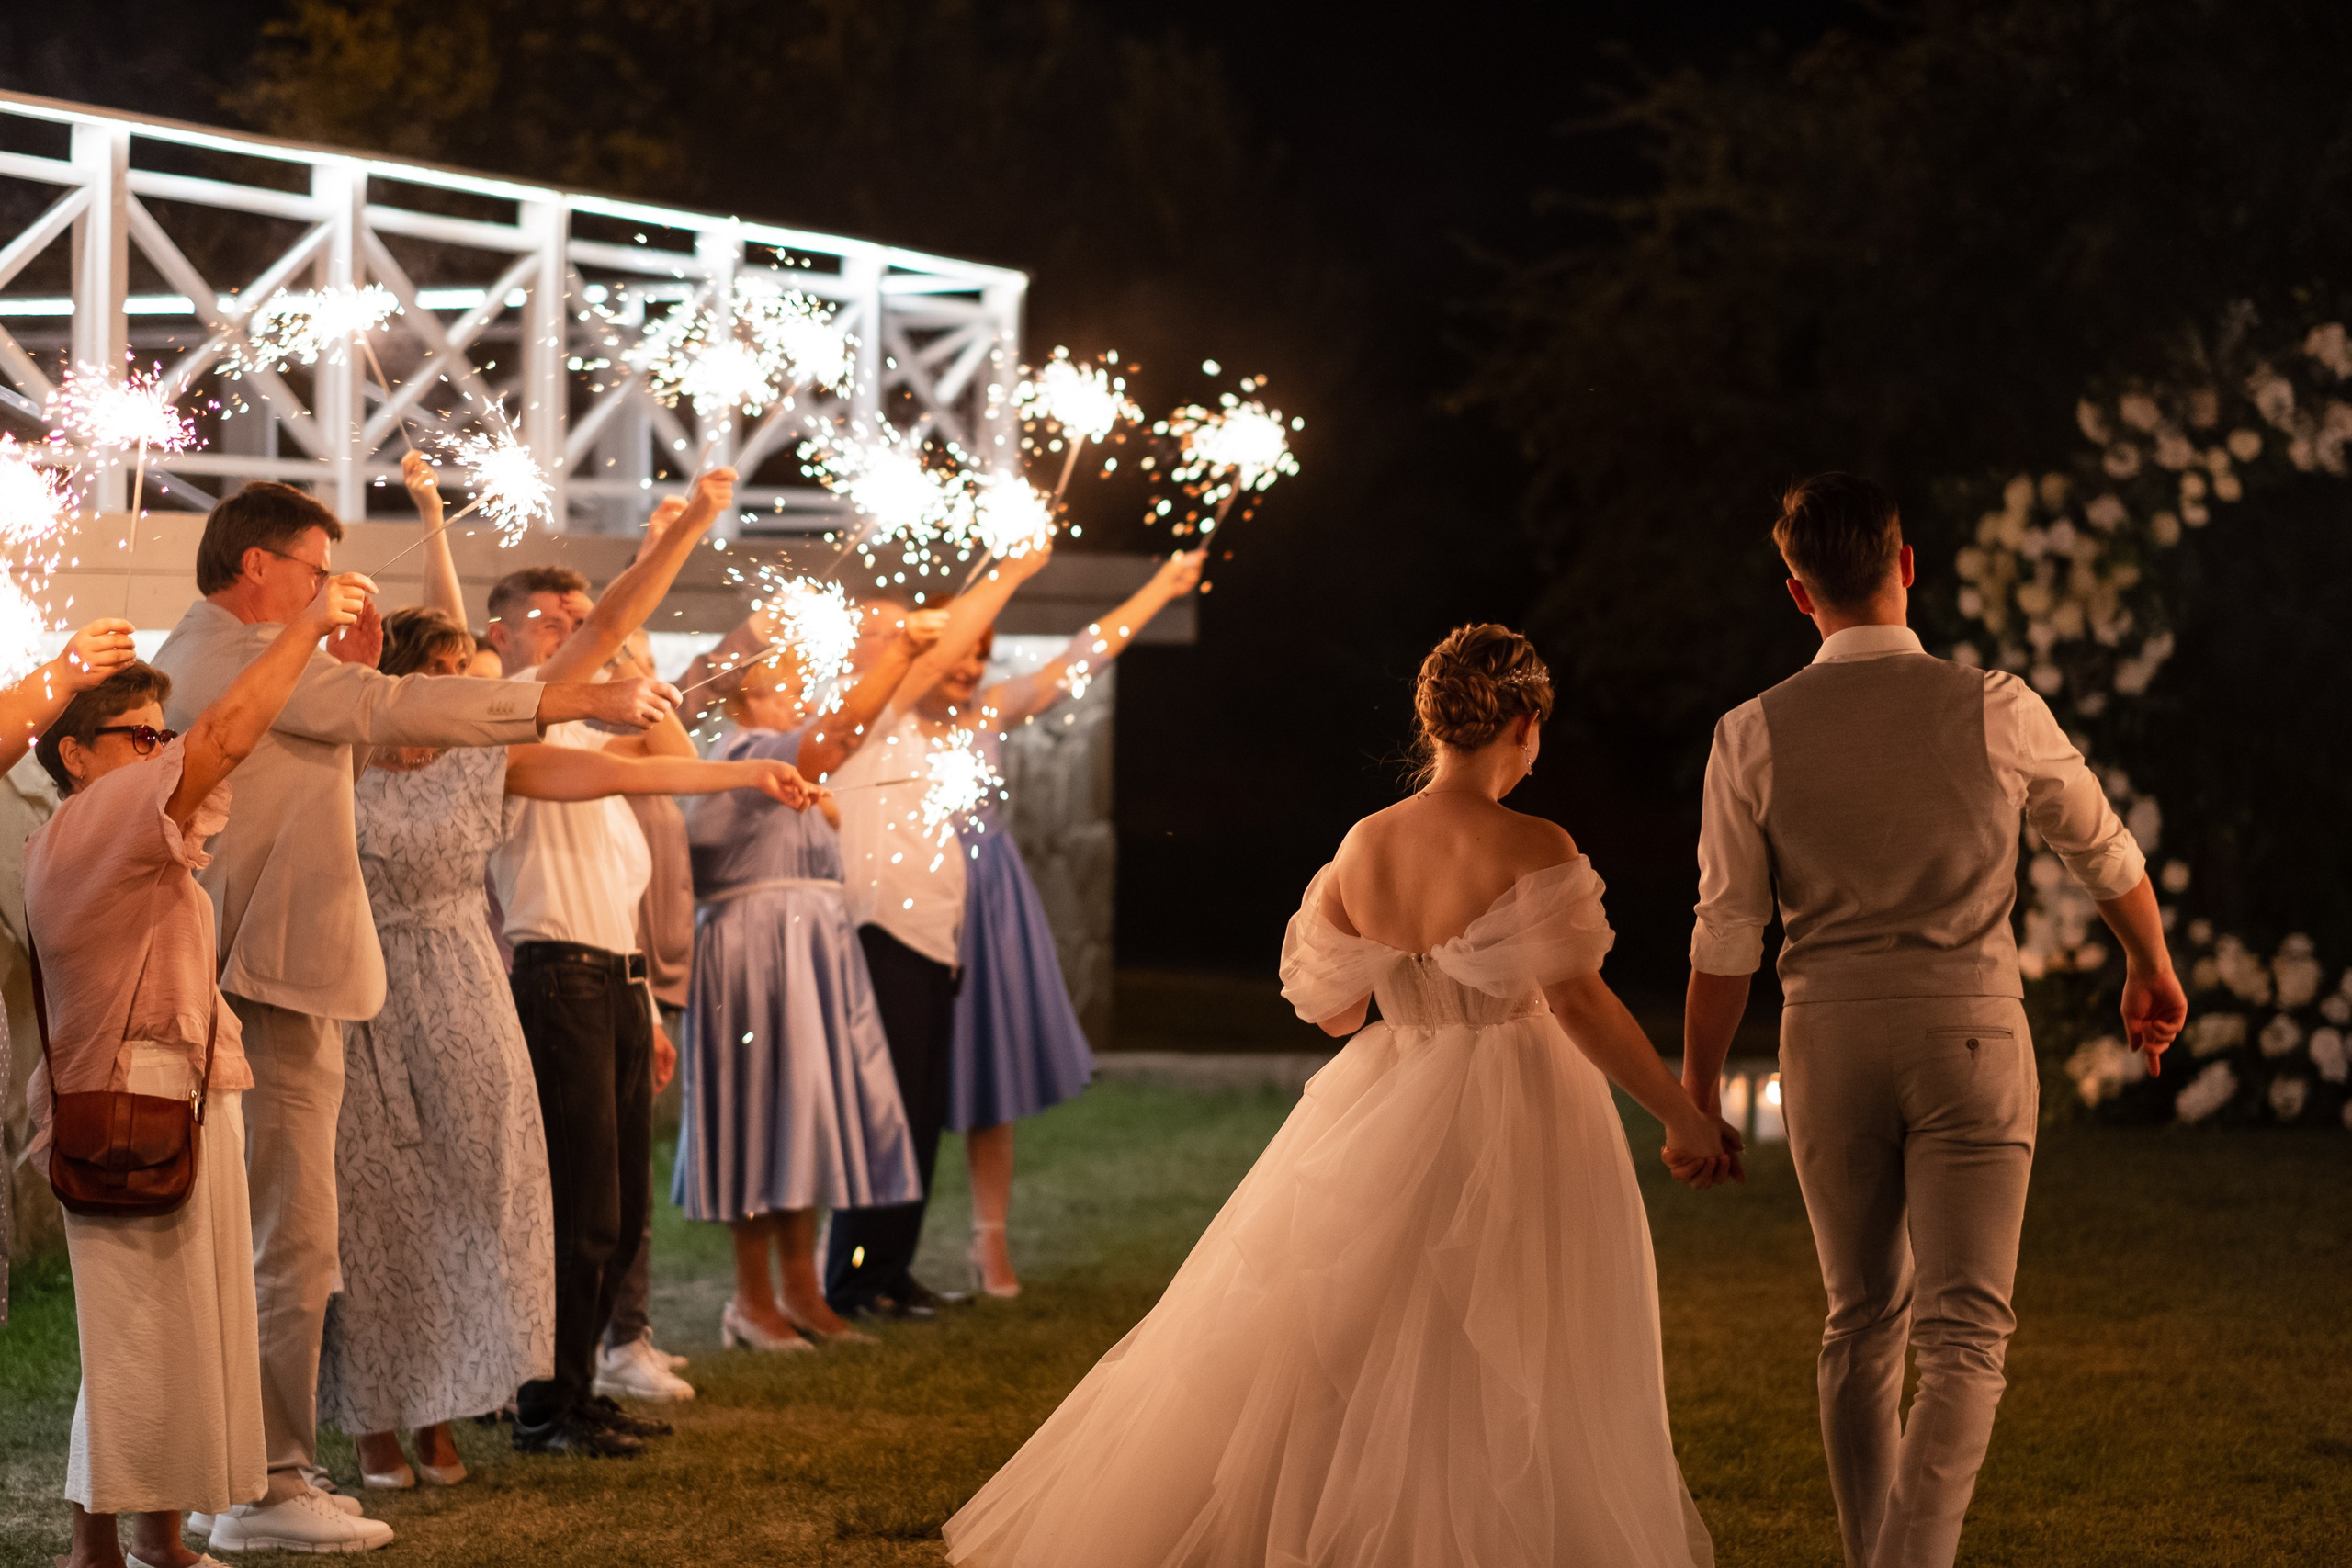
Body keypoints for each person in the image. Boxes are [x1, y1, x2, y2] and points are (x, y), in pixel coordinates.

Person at [942, 624, 1729, 1567]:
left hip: (1386, 1094)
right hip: (1516, 1101)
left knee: (1359, 1326)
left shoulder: (1364, 843)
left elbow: (1335, 1014)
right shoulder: (1534, 843)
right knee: (1512, 1320)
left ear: (1431, 722)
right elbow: (1577, 1002)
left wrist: (1413, 969)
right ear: (1523, 723)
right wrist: (1681, 1114)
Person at [149, 482, 676, 1553]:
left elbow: (373, 705)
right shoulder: (227, 657)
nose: (328, 583)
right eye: (313, 565)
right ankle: (264, 1488)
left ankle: (270, 1469)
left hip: (287, 974)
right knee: (288, 1250)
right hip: (267, 977)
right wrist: (563, 700)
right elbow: (391, 709)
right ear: (257, 567)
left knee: (294, 1245)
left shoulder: (252, 651)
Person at [1679, 473, 2186, 1568]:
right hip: (1970, 1037)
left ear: (1796, 593)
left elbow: (1727, 933)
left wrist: (1699, 1089)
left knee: (1859, 1320)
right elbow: (2102, 848)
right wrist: (2147, 963)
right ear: (1907, 566)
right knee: (1964, 1338)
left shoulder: (1748, 733)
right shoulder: (1994, 705)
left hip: (1828, 1043)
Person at [321, 604, 814, 1486]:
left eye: (469, 678)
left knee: (475, 1206)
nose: (465, 693)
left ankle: (451, 1402)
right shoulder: (341, 757)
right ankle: (376, 1422)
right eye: (444, 676)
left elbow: (601, 770)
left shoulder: (484, 761)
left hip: (467, 996)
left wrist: (750, 775)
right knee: (379, 1212)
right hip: (368, 998)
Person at [28, 581, 361, 1568]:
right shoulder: (91, 827)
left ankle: (142, 1544)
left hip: (173, 1101)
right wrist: (306, 628)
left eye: (156, 730)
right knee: (140, 1342)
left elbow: (205, 747)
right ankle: (124, 1550)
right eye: (137, 736)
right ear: (74, 754)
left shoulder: (127, 838)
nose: (159, 747)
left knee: (163, 1335)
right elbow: (219, 742)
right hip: (135, 1109)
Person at [484, 468, 768, 1457]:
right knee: (582, 1208)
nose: (574, 627)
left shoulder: (587, 731)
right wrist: (684, 529)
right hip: (556, 973)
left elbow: (653, 783)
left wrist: (645, 1007)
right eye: (552, 618)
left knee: (618, 1210)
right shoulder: (523, 710)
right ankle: (541, 1402)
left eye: (576, 614)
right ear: (508, 639)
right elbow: (612, 623)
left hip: (610, 978)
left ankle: (573, 1387)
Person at [674, 606, 947, 1349]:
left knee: (799, 1121)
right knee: (757, 1118)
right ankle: (751, 1299)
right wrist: (896, 655)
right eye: (788, 677)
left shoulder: (782, 756)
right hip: (758, 954)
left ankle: (802, 1290)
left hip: (809, 950)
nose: (804, 687)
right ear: (747, 691)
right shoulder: (751, 751)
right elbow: (840, 734)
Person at [940, 549, 1203, 1297]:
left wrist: (1161, 585)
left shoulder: (990, 711)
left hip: (988, 894)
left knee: (990, 1074)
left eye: (982, 657)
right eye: (962, 654)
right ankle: (865, 1249)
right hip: (916, 895)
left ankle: (989, 1242)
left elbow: (1079, 659)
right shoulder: (888, 717)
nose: (971, 669)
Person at [823, 548, 1053, 1321]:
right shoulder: (864, 711)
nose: (914, 645)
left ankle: (891, 1269)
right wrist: (1010, 573)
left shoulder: (910, 728)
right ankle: (854, 1276)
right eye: (891, 635)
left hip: (931, 942)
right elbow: (944, 650)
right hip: (882, 933)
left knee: (917, 1115)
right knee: (885, 1115)